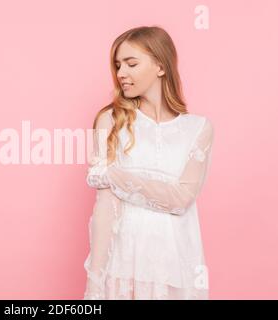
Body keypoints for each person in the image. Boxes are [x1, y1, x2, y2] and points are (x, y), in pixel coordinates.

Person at [83, 25, 214, 300]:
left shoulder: (198, 128)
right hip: (123, 264)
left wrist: (115, 177)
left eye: (131, 63)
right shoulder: (110, 120)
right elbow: (105, 207)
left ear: (160, 66)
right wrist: (95, 282)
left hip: (175, 265)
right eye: (118, 65)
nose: (121, 73)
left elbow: (181, 200)